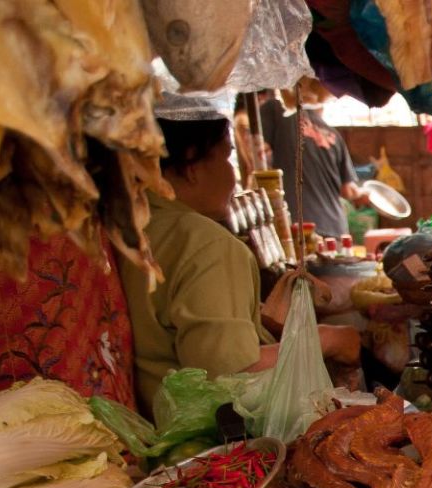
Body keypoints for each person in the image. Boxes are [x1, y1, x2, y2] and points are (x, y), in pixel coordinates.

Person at [121, 118, 358, 409]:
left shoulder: (131, 228)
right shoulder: (207, 244)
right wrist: (330, 339)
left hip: (148, 415)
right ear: (192, 167)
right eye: (228, 156)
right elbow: (232, 373)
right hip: (207, 438)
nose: (234, 175)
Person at [261, 78, 368, 238]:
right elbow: (348, 190)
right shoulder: (334, 135)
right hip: (335, 229)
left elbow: (258, 152)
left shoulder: (276, 109)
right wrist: (363, 193)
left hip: (297, 229)